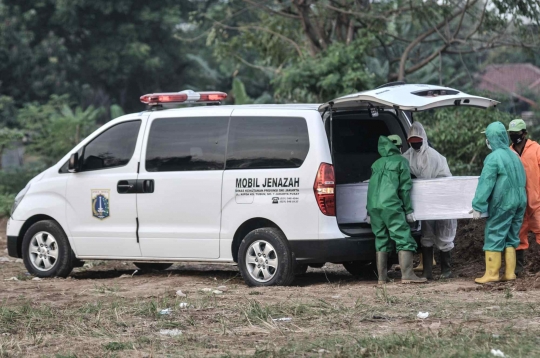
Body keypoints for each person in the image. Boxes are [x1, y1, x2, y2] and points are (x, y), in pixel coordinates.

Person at [471, 121, 527, 284]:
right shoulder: (514, 155)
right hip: (520, 200)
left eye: (487, 137)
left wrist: (478, 205)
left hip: (504, 201)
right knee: (511, 236)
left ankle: (492, 274)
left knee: (494, 233)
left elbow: (486, 182)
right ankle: (510, 273)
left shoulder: (494, 157)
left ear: (492, 138)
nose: (487, 141)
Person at [366, 135, 427, 284]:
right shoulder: (401, 162)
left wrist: (368, 211)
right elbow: (405, 188)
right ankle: (407, 275)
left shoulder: (376, 164)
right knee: (403, 238)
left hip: (374, 207)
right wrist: (408, 210)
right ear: (399, 147)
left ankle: (381, 277)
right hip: (391, 206)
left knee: (381, 238)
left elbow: (370, 188)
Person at [402, 122, 457, 280]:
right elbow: (403, 165)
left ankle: (446, 271)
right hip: (426, 202)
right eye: (411, 141)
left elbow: (427, 180)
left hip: (441, 198)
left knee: (444, 233)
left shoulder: (432, 156)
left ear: (423, 139)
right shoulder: (409, 155)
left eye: (417, 140)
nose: (414, 144)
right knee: (426, 234)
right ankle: (428, 272)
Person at [508, 119, 540, 275]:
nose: (514, 136)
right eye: (511, 134)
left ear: (525, 133)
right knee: (519, 233)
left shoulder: (536, 149)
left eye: (517, 133)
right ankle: (519, 269)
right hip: (518, 201)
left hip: (536, 200)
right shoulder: (509, 152)